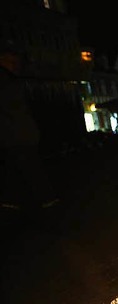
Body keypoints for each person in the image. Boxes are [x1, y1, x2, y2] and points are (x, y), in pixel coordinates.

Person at [0, 39, 59, 218]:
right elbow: (17, 109)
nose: (15, 66)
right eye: (11, 62)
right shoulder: (9, 81)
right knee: (27, 169)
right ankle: (44, 202)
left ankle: (15, 203)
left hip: (14, 135)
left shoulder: (9, 81)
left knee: (21, 168)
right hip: (17, 134)